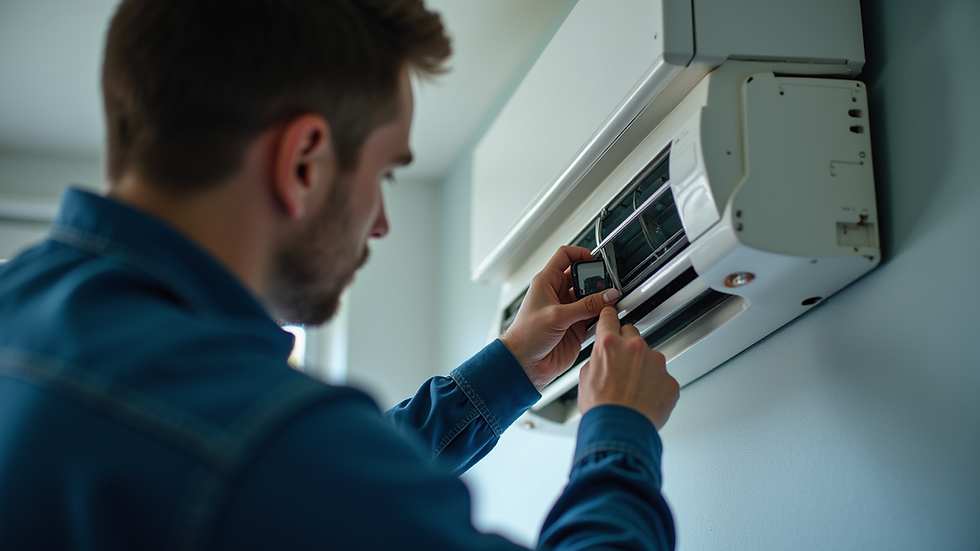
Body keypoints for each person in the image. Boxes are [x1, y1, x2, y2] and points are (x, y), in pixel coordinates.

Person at [0, 0, 680, 549]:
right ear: (303, 162)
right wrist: (617, 435)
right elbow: (290, 468)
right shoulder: (263, 444)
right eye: (384, 173)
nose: (380, 222)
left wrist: (509, 369)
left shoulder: (21, 314)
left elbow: (300, 483)